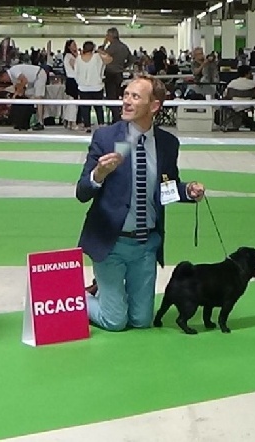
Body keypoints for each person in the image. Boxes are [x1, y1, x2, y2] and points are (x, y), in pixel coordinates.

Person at [76, 74, 205, 332]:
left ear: (154, 106)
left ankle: (107, 292)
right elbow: (82, 192)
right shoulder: (105, 137)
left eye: (135, 96)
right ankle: (77, 297)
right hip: (110, 244)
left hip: (146, 245)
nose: (126, 101)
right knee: (115, 322)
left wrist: (187, 191)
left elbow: (166, 189)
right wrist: (99, 174)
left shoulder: (168, 144)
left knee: (141, 320)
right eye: (125, 94)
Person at [75, 41, 112, 132]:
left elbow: (76, 72)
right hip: (96, 86)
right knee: (98, 107)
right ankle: (101, 124)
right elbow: (110, 59)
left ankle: (87, 126)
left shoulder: (78, 58)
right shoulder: (97, 57)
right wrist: (100, 51)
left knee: (85, 108)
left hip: (83, 87)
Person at [3, 62, 48, 130]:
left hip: (39, 75)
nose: (4, 82)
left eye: (3, 80)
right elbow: (20, 87)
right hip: (32, 80)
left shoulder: (14, 71)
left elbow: (24, 81)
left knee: (39, 98)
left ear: (4, 75)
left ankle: (40, 122)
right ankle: (26, 121)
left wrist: (16, 94)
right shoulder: (13, 78)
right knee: (28, 96)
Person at [103, 27, 133, 123]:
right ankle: (119, 116)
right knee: (118, 96)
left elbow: (102, 55)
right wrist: (124, 66)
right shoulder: (124, 47)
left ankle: (116, 119)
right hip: (119, 74)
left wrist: (104, 44)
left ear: (111, 36)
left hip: (110, 74)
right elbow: (132, 59)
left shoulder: (111, 47)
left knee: (111, 98)